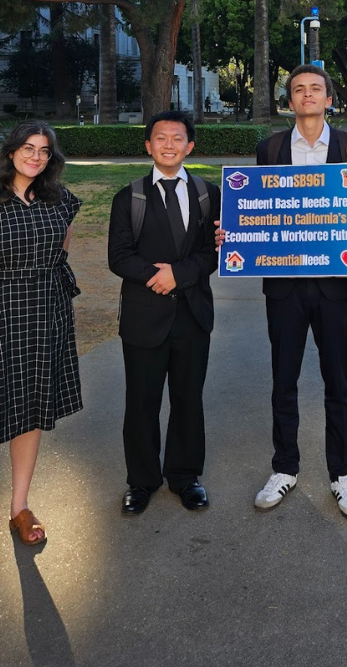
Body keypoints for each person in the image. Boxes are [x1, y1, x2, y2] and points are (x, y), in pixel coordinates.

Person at [0, 121, 82, 592]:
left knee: (30, 419)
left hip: (47, 320)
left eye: (45, 151)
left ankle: (19, 507)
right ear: (11, 153)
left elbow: (59, 254)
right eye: (29, 148)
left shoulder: (61, 201)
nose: (36, 157)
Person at [251, 64, 347, 519]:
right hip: (283, 284)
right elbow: (258, 209)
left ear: (328, 98)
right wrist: (237, 235)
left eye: (315, 89)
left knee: (337, 380)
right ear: (290, 100)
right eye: (299, 89)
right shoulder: (270, 148)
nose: (307, 95)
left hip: (333, 286)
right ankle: (285, 467)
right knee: (284, 379)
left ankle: (341, 473)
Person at [108, 110, 221, 516]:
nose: (169, 144)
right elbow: (118, 257)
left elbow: (212, 252)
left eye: (177, 138)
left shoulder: (209, 193)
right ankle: (141, 481)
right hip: (143, 316)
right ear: (148, 146)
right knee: (141, 402)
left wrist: (179, 275)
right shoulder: (130, 198)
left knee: (188, 399)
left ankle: (185, 476)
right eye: (161, 138)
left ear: (190, 146)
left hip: (193, 315)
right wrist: (159, 278)